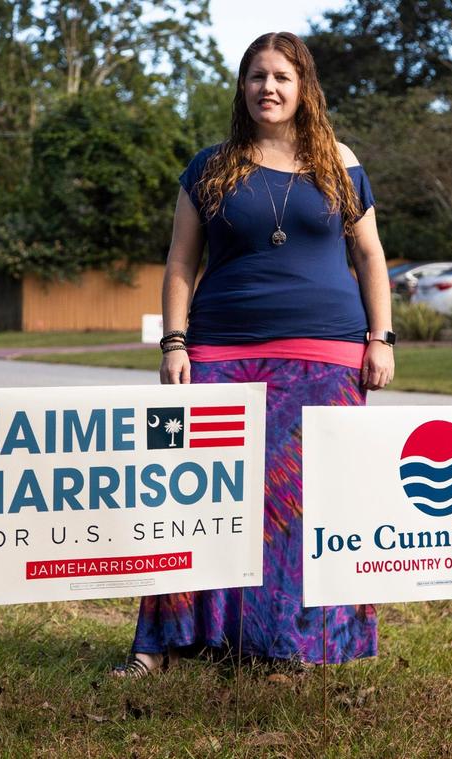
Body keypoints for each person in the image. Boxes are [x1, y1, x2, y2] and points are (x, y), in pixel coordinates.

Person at [115, 31, 395, 676]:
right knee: (192, 495)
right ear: (242, 86)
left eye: (282, 77)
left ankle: (294, 645)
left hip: (326, 355)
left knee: (307, 502)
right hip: (220, 351)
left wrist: (380, 338)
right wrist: (174, 342)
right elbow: (180, 262)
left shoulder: (339, 162)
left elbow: (370, 256)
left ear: (304, 88)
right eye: (257, 76)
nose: (268, 87)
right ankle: (161, 645)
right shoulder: (209, 166)